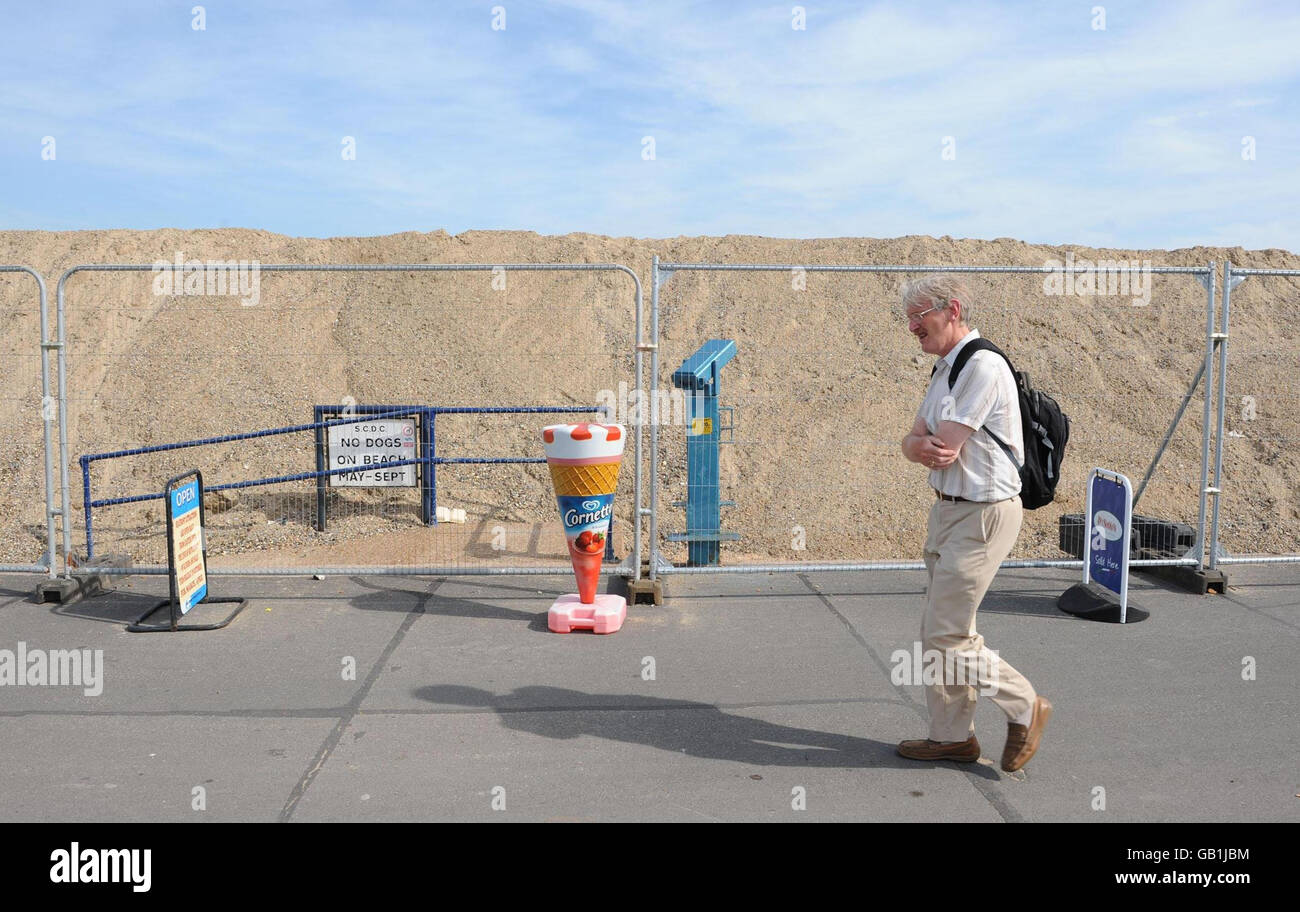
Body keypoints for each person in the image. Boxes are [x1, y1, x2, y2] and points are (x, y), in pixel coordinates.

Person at [896, 274, 1051, 772]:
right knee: (939, 629)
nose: (912, 328)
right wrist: (917, 446)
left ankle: (1025, 704)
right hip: (947, 510)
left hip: (982, 514)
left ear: (953, 309)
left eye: (920, 317)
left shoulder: (983, 366)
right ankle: (950, 737)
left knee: (947, 633)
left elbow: (942, 445)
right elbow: (914, 442)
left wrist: (921, 446)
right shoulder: (944, 370)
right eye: (909, 320)